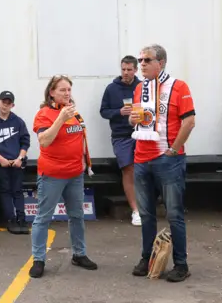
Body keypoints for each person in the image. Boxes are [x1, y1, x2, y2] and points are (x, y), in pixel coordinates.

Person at [128, 44, 195, 282]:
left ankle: (181, 264)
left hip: (168, 159)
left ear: (161, 62)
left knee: (174, 214)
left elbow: (189, 121)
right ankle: (148, 258)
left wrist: (174, 150)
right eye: (141, 60)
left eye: (147, 60)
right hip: (141, 157)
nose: (142, 64)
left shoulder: (178, 86)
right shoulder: (139, 88)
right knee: (146, 215)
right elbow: (138, 120)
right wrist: (132, 119)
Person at [28, 75, 97, 278]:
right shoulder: (44, 114)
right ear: (51, 92)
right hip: (52, 175)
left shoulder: (74, 113)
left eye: (69, 90)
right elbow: (45, 140)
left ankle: (79, 253)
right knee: (43, 217)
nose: (67, 94)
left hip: (75, 174)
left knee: (77, 215)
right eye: (62, 90)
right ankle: (38, 259)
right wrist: (60, 119)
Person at [100, 55, 142, 226]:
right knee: (128, 169)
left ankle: (146, 206)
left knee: (145, 170)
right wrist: (119, 112)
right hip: (121, 135)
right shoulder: (111, 89)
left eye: (129, 69)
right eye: (123, 69)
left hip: (141, 133)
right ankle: (136, 211)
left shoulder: (142, 86)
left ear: (135, 70)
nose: (125, 73)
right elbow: (103, 111)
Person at [0, 91, 31, 234]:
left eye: (8, 103)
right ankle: (10, 219)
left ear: (13, 105)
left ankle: (21, 219)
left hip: (17, 162)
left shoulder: (18, 122)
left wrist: (20, 158)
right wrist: (1, 159)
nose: (5, 105)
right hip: (1, 163)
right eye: (3, 102)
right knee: (5, 190)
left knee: (17, 190)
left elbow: (25, 141)